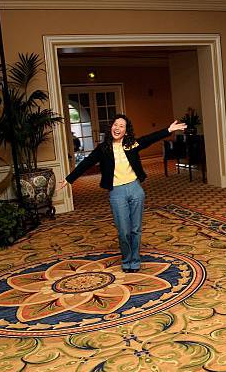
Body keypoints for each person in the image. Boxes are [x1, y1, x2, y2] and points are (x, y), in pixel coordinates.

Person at [58, 115, 186, 272]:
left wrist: (168, 130)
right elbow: (86, 163)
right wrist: (69, 179)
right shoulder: (103, 148)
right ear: (111, 127)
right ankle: (126, 259)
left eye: (121, 126)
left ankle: (135, 259)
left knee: (136, 228)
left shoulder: (131, 145)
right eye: (115, 125)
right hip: (117, 192)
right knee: (124, 230)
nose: (117, 128)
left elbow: (149, 139)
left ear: (126, 131)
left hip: (135, 189)